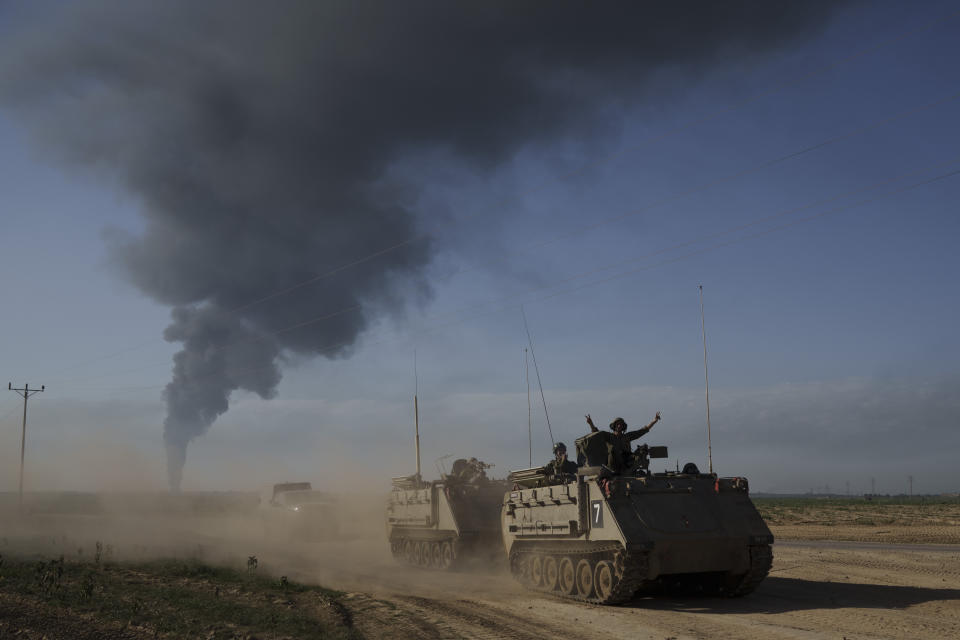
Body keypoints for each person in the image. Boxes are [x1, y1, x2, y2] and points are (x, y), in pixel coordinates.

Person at [585, 411, 661, 472]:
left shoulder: (627, 436)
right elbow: (597, 433)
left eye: (621, 424)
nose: (619, 426)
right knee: (612, 452)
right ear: (614, 426)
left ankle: (627, 470)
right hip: (613, 465)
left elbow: (642, 431)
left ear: (623, 427)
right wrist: (591, 423)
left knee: (642, 450)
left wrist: (654, 420)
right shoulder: (609, 436)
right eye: (617, 424)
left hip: (626, 463)